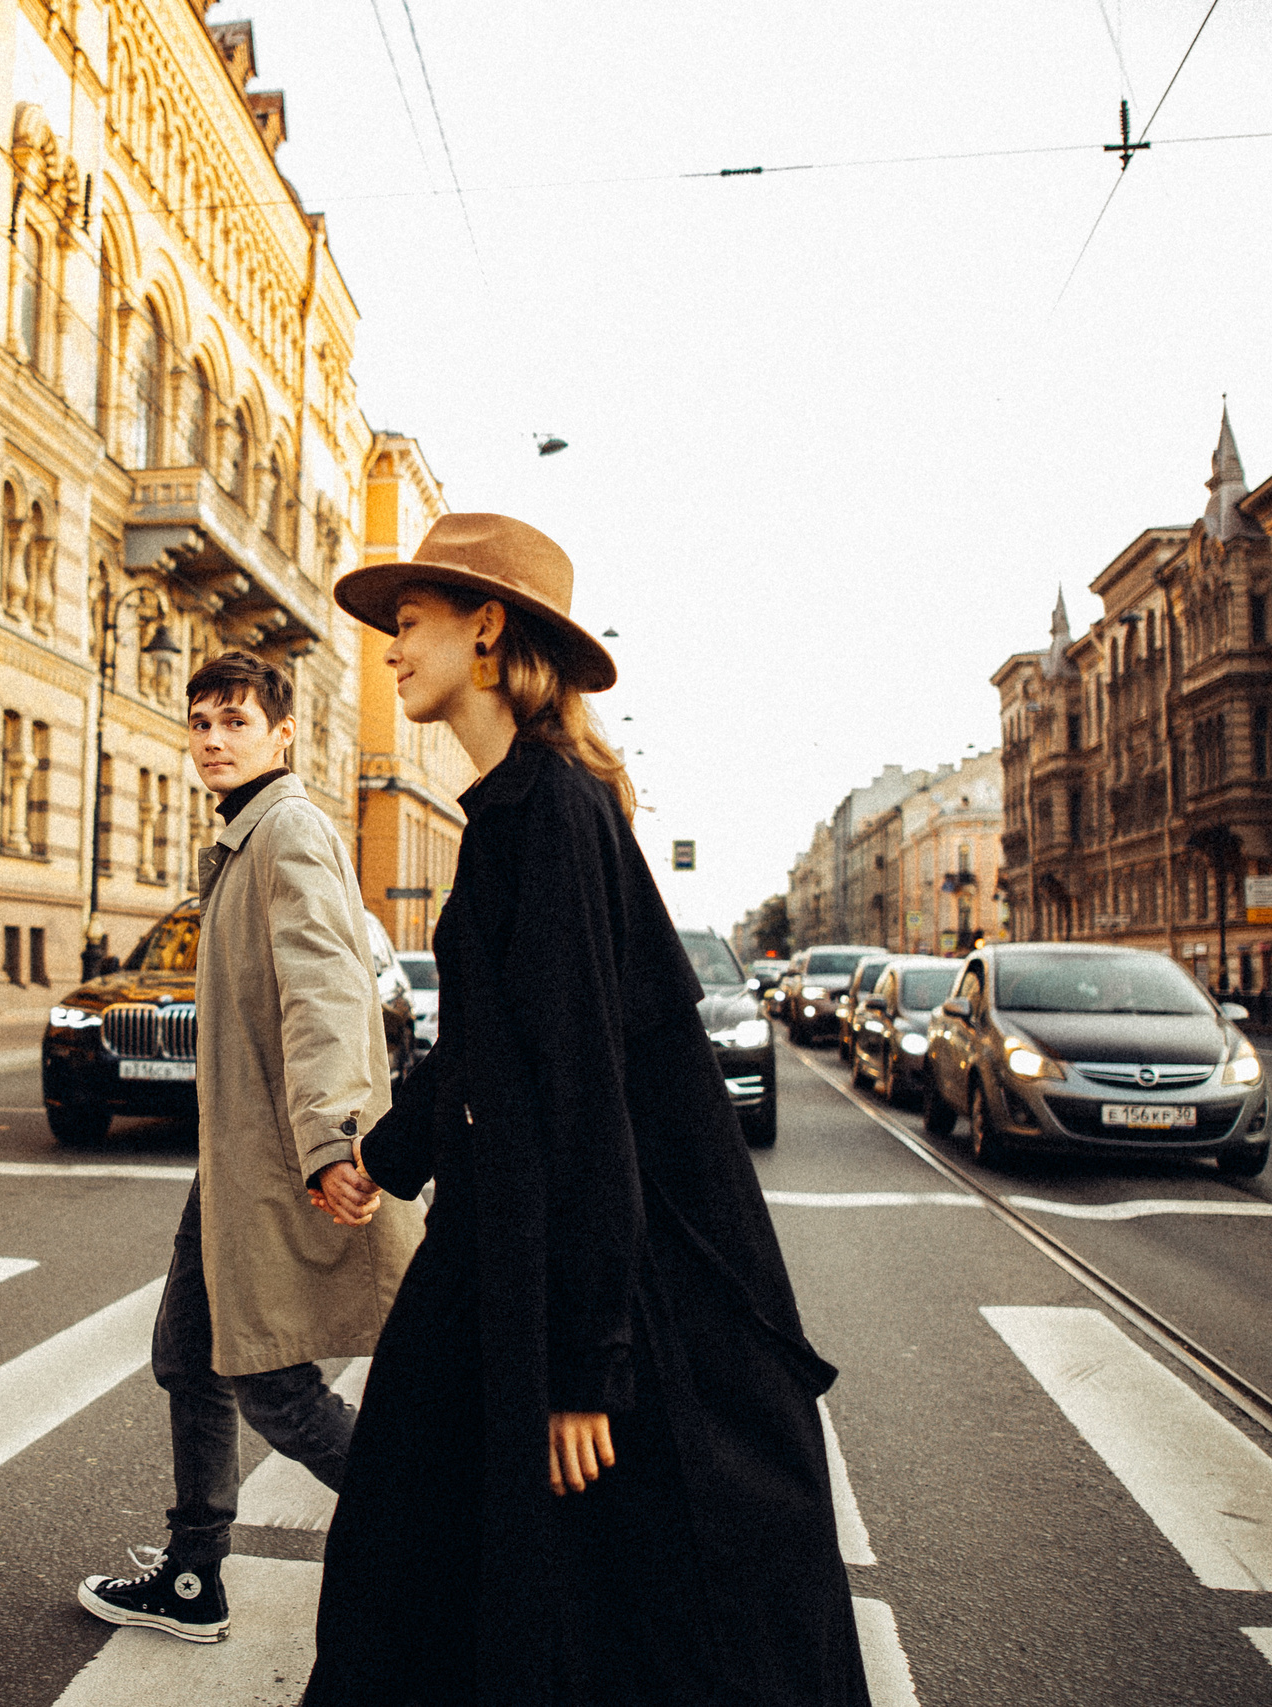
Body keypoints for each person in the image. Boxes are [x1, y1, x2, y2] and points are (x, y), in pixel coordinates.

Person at [306, 515, 870, 1706]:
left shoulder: (546, 816)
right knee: (437, 1556)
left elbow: (586, 1102)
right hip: (505, 1245)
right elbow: (487, 1053)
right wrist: (383, 1156)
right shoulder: (519, 809)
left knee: (579, 1586)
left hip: (577, 1267)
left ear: (487, 628)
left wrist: (586, 1365)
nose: (390, 652)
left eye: (408, 626)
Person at [78, 648, 423, 1644]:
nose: (212, 740)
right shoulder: (242, 841)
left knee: (268, 1378)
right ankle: (194, 1576)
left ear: (282, 735)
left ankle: (425, 1529)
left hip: (276, 1155)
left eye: (234, 722)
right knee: (189, 1357)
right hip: (234, 1161)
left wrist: (326, 1138)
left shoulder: (289, 833)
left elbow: (323, 988)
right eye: (200, 723)